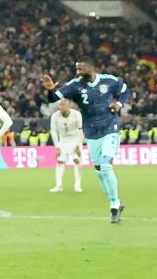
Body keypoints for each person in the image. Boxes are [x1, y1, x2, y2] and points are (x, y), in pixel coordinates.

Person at [42, 58, 131, 223]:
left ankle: (113, 206)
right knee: (99, 171)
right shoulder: (75, 85)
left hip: (110, 128)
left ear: (91, 67)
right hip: (91, 133)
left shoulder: (109, 81)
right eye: (77, 69)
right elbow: (53, 98)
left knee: (105, 165)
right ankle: (117, 202)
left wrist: (119, 103)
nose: (78, 72)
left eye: (81, 69)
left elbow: (126, 91)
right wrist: (49, 90)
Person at [49, 99, 84, 193]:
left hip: (75, 139)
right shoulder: (55, 116)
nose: (61, 107)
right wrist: (57, 147)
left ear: (69, 105)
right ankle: (58, 185)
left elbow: (80, 130)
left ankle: (77, 185)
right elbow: (53, 131)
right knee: (60, 161)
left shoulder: (76, 114)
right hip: (63, 141)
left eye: (63, 105)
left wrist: (78, 145)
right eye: (60, 105)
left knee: (77, 161)